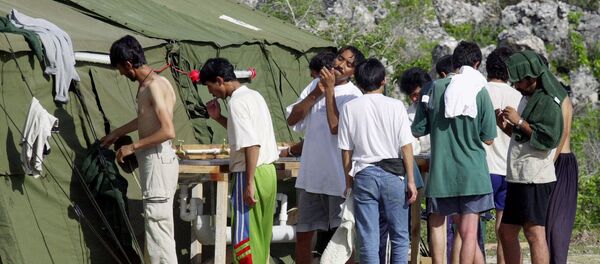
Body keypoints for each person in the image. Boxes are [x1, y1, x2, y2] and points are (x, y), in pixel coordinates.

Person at [412, 41, 497, 264]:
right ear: (476, 64)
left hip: (441, 173)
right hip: (473, 174)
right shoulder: (480, 90)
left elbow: (418, 129)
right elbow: (488, 137)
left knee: (437, 226)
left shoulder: (432, 89)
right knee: (469, 234)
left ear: (454, 62)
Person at [101, 35, 179, 263]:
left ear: (127, 63)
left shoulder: (154, 87)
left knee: (158, 230)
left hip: (157, 160)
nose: (123, 75)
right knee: (158, 230)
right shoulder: (157, 83)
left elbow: (167, 130)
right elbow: (145, 118)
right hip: (157, 160)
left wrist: (132, 147)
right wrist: (116, 134)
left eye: (121, 70)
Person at [286, 46, 365, 264]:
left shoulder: (353, 95)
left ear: (353, 73)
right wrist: (316, 92)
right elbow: (292, 120)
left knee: (343, 240)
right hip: (311, 177)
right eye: (340, 58)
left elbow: (335, 128)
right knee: (303, 237)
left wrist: (329, 91)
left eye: (349, 64)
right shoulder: (315, 84)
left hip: (339, 180)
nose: (341, 65)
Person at [338, 58, 418, 263]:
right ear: (384, 80)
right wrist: (410, 180)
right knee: (399, 235)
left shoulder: (349, 107)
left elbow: (346, 150)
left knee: (368, 237)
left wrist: (348, 182)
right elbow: (406, 146)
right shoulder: (396, 105)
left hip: (364, 174)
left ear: (358, 82)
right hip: (393, 174)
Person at [201, 58, 279, 264]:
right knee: (261, 238)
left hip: (250, 173)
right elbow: (246, 133)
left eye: (210, 87)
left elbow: (251, 144)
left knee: (244, 242)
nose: (211, 93)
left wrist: (249, 183)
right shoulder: (254, 96)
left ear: (220, 80)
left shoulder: (236, 102)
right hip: (268, 172)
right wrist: (218, 118)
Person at [498, 50, 565, 264]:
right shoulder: (527, 97)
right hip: (519, 175)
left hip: (535, 177)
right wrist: (506, 126)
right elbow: (523, 136)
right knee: (506, 232)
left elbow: (547, 139)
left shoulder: (547, 101)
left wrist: (518, 122)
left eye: (519, 81)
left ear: (532, 78)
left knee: (534, 233)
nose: (516, 86)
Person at [481, 46, 522, 264]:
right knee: (504, 229)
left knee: (472, 225)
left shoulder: (480, 91)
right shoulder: (518, 96)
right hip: (509, 168)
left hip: (482, 167)